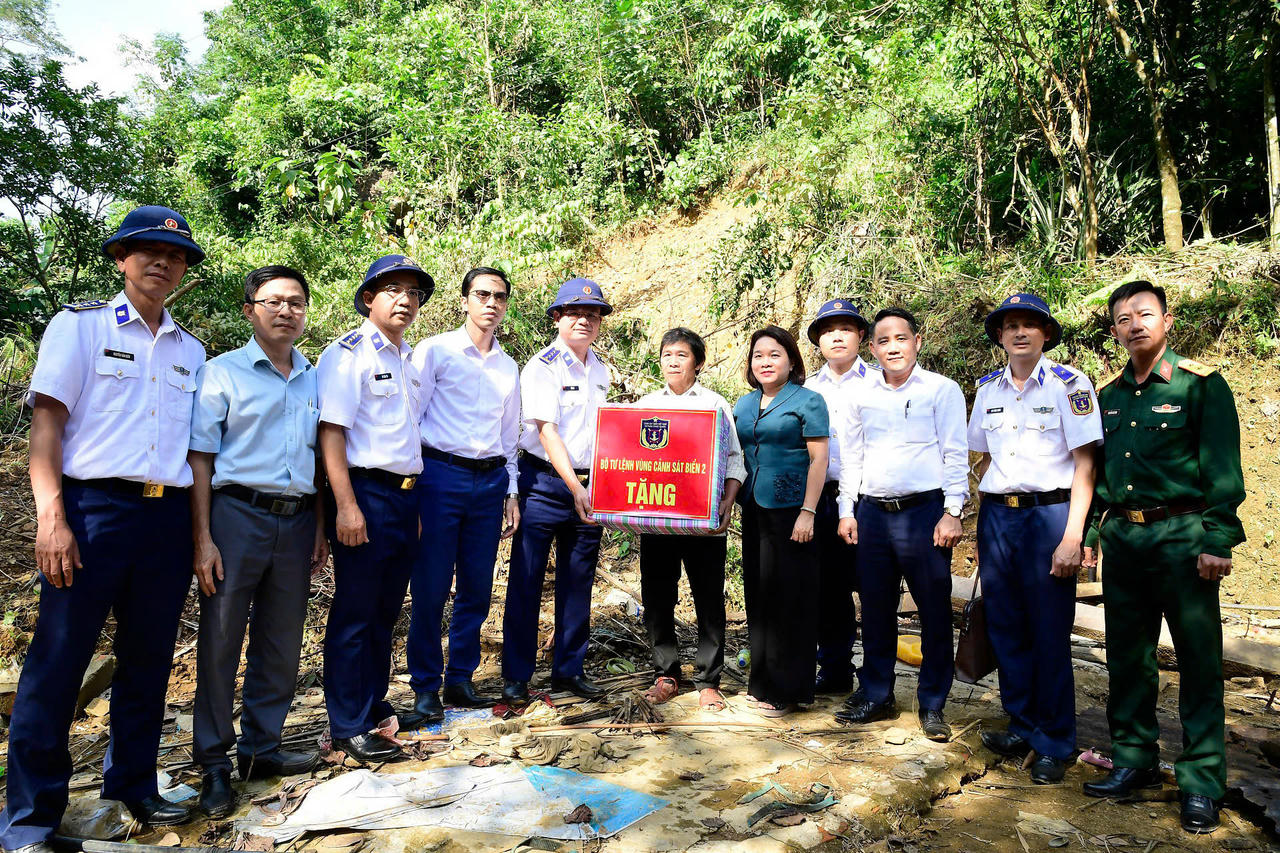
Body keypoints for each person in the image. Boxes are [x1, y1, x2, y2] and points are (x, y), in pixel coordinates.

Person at [1, 206, 207, 853]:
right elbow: (47, 428)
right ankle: (30, 820)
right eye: (147, 249)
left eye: (175, 255)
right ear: (121, 257)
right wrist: (51, 517)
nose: (163, 261)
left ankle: (133, 785)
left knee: (147, 661)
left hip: (167, 518)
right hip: (92, 513)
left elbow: (198, 455)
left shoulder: (191, 350)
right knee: (58, 662)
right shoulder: (80, 327)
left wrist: (200, 535)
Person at [1080, 281, 1245, 834]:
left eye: (1145, 314)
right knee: (1129, 657)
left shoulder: (1201, 387)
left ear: (1167, 320)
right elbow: (1102, 477)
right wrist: (1092, 535)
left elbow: (1223, 469)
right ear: (1113, 332)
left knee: (1199, 661)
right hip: (1126, 540)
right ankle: (1134, 760)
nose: (1135, 324)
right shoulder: (1109, 395)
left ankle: (1200, 781)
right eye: (1123, 319)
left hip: (1183, 537)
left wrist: (1217, 539)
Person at [188, 266, 328, 817]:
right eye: (273, 301)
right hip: (234, 517)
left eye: (296, 302)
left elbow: (319, 461)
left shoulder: (314, 377)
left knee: (281, 640)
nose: (285, 310)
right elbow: (200, 458)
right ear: (250, 310)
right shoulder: (221, 374)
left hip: (296, 522)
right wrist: (202, 538)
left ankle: (261, 749)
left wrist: (318, 527)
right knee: (221, 640)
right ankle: (215, 763)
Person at [967, 293, 1101, 783]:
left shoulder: (1070, 384)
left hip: (1051, 516)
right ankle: (1022, 725)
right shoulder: (987, 390)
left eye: (1030, 325)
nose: (1019, 332)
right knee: (1006, 627)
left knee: (1048, 631)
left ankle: (1055, 740)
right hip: (1000, 517)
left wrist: (1073, 537)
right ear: (1000, 337)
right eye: (1010, 326)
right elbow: (980, 459)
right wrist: (984, 528)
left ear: (1046, 334)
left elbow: (1086, 464)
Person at [316, 255, 431, 761]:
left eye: (413, 292)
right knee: (356, 610)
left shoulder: (407, 357)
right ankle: (346, 723)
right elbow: (332, 433)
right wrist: (345, 505)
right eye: (393, 290)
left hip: (405, 495)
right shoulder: (349, 354)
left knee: (386, 608)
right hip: (364, 492)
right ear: (368, 298)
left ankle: (371, 704)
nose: (405, 300)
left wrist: (416, 501)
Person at [835, 307, 967, 741]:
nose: (893, 347)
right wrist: (846, 509)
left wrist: (953, 511)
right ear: (872, 348)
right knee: (874, 607)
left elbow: (955, 452)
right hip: (872, 513)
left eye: (901, 338)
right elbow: (853, 454)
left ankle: (932, 703)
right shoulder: (861, 394)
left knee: (932, 609)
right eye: (884, 340)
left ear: (917, 342)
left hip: (924, 512)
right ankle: (876, 694)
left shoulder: (941, 390)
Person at [405, 267, 521, 724]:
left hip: (489, 482)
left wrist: (511, 490)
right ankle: (425, 686)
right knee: (431, 586)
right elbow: (411, 419)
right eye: (482, 294)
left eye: (499, 297)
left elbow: (509, 436)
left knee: (476, 586)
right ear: (465, 300)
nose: (491, 303)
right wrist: (413, 486)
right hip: (440, 475)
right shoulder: (434, 351)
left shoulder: (508, 367)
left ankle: (460, 677)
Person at [501, 278, 613, 704]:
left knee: (578, 582)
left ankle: (568, 671)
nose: (585, 319)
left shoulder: (601, 369)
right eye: (575, 313)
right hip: (545, 485)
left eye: (594, 314)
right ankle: (516, 675)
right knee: (526, 581)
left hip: (590, 486)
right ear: (557, 318)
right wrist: (574, 485)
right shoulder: (542, 367)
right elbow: (547, 432)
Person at [635, 328, 745, 713]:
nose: (673, 361)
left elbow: (734, 457)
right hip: (659, 519)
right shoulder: (646, 405)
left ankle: (708, 680)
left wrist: (728, 502)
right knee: (657, 597)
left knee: (709, 599)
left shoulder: (715, 404)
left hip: (703, 522)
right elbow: (633, 460)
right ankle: (666, 674)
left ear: (698, 363)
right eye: (667, 354)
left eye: (682, 355)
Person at [732, 326, 829, 718]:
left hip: (793, 511)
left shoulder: (808, 401)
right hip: (753, 508)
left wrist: (808, 511)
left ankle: (790, 688)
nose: (766, 362)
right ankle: (762, 683)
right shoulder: (742, 404)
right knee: (759, 595)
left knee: (791, 599)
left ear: (791, 360)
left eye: (774, 354)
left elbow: (819, 460)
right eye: (758, 355)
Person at [803, 299, 870, 694]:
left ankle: (877, 677)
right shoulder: (807, 389)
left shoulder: (880, 382)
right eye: (828, 330)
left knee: (875, 587)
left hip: (870, 499)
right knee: (828, 588)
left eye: (846, 328)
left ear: (861, 335)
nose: (837, 336)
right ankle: (835, 669)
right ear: (819, 341)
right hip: (824, 498)